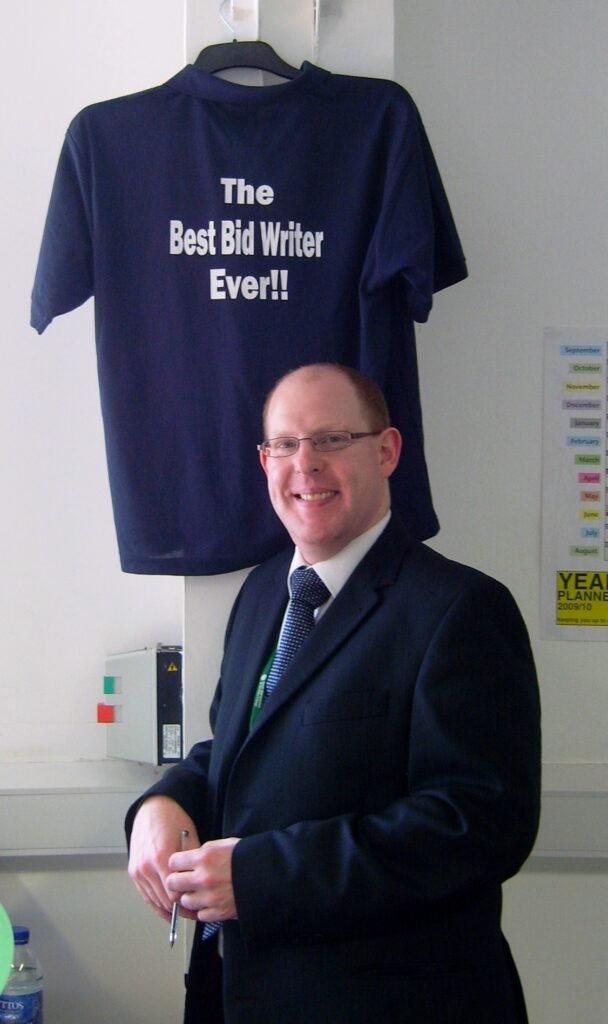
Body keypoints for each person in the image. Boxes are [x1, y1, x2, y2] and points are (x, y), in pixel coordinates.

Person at [127, 362, 541, 1024]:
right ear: (265, 462)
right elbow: (239, 752)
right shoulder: (262, 593)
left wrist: (262, 878)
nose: (305, 465)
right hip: (244, 993)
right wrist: (164, 801)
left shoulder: (461, 610)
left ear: (386, 451)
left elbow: (477, 825)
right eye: (285, 445)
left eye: (331, 440)